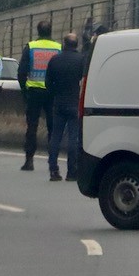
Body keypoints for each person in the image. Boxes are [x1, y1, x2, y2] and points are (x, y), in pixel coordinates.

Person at [18, 20, 61, 172]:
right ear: (51, 31)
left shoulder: (31, 47)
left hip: (34, 92)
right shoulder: (58, 48)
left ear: (38, 31)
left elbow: (21, 72)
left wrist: (25, 91)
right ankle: (53, 161)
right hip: (52, 93)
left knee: (32, 127)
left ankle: (29, 161)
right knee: (53, 127)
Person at [45, 33, 85, 182]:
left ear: (64, 44)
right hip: (75, 102)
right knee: (73, 138)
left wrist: (55, 94)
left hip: (59, 103)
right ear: (76, 44)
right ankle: (71, 171)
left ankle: (53, 170)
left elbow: (48, 83)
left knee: (55, 137)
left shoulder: (54, 60)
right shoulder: (81, 60)